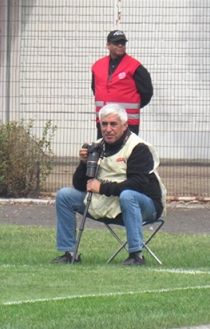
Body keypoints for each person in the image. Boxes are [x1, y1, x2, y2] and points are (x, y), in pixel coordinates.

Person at [53, 103, 165, 266]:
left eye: (113, 124)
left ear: (125, 125)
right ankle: (70, 253)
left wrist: (102, 188)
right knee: (64, 195)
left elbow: (137, 185)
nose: (108, 129)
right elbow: (79, 185)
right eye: (104, 124)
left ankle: (136, 256)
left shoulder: (138, 148)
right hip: (109, 203)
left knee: (128, 196)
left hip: (145, 206)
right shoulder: (97, 147)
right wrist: (83, 163)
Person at [91, 30, 153, 136]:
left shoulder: (134, 66)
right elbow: (95, 89)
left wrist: (133, 104)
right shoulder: (97, 66)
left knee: (127, 151)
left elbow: (147, 91)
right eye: (116, 43)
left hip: (127, 122)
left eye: (123, 43)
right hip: (105, 121)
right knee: (105, 151)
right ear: (108, 45)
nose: (120, 45)